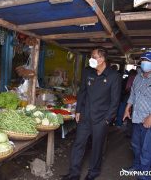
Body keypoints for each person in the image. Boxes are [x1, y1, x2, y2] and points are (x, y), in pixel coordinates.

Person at [62, 47, 121, 180]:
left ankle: (93, 173)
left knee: (97, 147)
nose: (91, 59)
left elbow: (115, 101)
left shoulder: (113, 76)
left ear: (102, 59)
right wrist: (78, 111)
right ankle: (74, 174)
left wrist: (107, 120)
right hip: (85, 116)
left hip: (101, 119)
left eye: (93, 57)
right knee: (78, 144)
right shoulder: (88, 72)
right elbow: (82, 92)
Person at [123, 51, 151, 180]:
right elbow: (133, 94)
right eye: (144, 60)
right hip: (136, 118)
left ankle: (144, 175)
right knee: (135, 145)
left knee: (147, 150)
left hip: (148, 120)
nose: (145, 63)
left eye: (148, 61)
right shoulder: (138, 76)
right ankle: (136, 166)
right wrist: (127, 108)